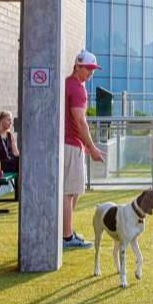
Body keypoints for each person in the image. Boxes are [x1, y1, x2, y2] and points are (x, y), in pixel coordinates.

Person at [63, 49, 105, 249]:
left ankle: (66, 231)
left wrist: (86, 145)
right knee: (70, 191)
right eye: (88, 69)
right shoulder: (77, 88)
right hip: (70, 144)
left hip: (71, 144)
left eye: (93, 69)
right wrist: (92, 147)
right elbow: (80, 120)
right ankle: (66, 236)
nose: (91, 73)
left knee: (73, 190)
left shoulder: (68, 84)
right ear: (77, 66)